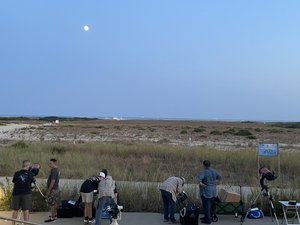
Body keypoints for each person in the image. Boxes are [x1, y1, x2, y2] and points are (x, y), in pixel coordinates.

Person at [197, 160, 221, 224]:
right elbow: (220, 177)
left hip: (206, 191)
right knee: (210, 205)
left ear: (204, 165)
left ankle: (208, 220)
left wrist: (202, 184)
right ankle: (207, 217)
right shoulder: (214, 171)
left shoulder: (203, 172)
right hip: (213, 190)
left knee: (206, 206)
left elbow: (199, 181)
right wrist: (215, 182)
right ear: (210, 164)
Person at [11, 160, 35, 224]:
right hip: (26, 194)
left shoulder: (16, 173)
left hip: (16, 193)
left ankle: (13, 223)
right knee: (26, 210)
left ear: (23, 165)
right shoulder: (31, 174)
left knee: (15, 210)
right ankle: (25, 223)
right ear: (28, 165)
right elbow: (32, 184)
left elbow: (14, 182)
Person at [44, 158, 60, 223]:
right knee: (55, 203)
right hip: (56, 189)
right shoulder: (56, 170)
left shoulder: (54, 171)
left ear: (54, 163)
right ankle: (54, 215)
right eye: (49, 163)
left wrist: (49, 190)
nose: (49, 164)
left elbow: (53, 181)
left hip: (53, 189)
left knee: (52, 203)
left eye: (51, 163)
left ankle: (52, 218)